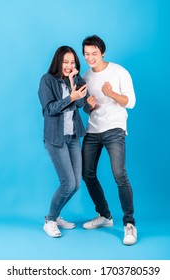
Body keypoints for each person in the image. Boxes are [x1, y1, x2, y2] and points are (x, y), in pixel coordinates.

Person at [81, 35, 137, 245]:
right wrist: (90, 106)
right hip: (93, 130)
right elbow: (86, 108)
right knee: (87, 174)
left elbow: (130, 102)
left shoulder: (119, 72)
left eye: (94, 53)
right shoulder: (85, 76)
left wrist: (111, 93)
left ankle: (129, 223)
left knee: (119, 174)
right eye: (87, 54)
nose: (90, 57)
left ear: (102, 52)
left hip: (114, 128)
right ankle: (104, 216)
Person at [38, 46, 88, 238]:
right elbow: (49, 109)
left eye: (72, 62)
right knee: (67, 183)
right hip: (56, 139)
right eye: (65, 62)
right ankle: (50, 220)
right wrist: (70, 97)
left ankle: (56, 216)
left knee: (76, 185)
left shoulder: (75, 79)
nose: (69, 66)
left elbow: (82, 104)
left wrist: (73, 80)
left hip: (73, 137)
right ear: (58, 61)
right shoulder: (47, 80)